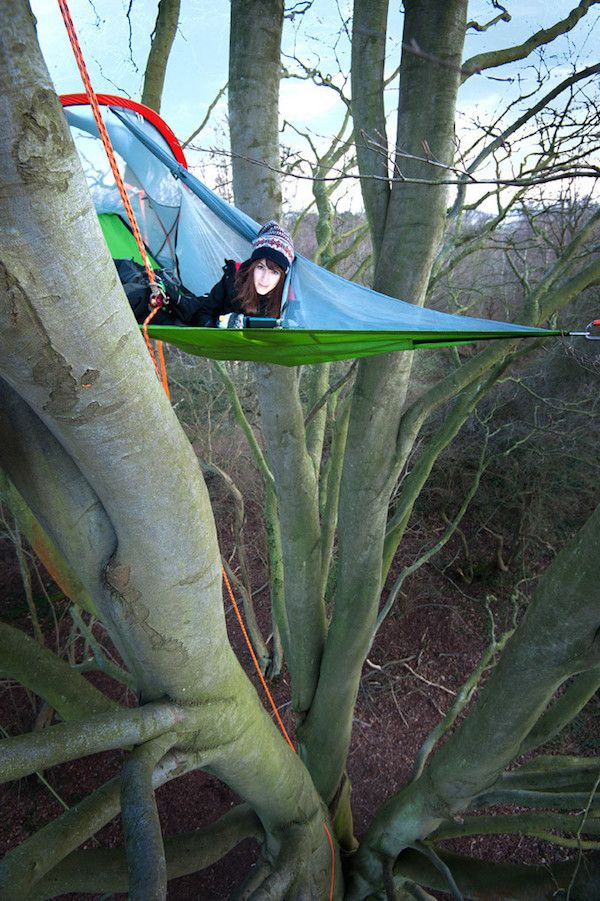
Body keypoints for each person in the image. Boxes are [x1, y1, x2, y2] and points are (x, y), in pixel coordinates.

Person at [118, 220, 294, 329]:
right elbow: (203, 311)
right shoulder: (234, 279)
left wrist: (221, 324)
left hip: (175, 314)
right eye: (261, 268)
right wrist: (219, 322)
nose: (264, 279)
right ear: (252, 266)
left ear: (282, 277)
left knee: (133, 297)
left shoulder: (286, 306)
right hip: (182, 305)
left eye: (274, 272)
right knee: (128, 270)